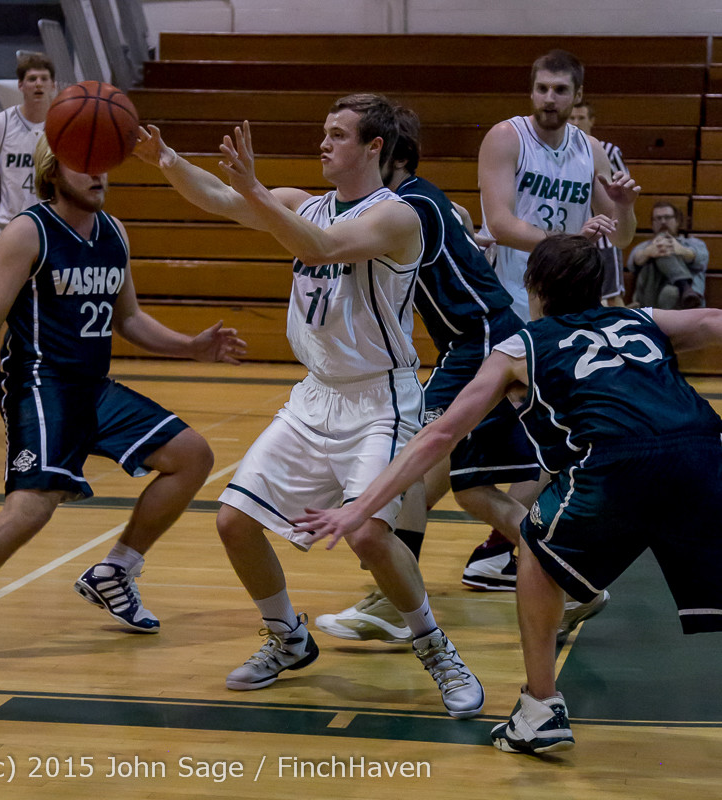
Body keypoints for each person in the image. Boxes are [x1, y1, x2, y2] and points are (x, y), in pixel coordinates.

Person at [293, 233, 722, 755]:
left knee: (535, 550)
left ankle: (541, 709)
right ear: (600, 285)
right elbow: (711, 321)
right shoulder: (639, 319)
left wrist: (359, 507)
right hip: (706, 451)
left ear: (534, 286)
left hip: (614, 461)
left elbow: (439, 436)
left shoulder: (521, 345)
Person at [133, 94, 484, 719]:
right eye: (324, 132)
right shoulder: (303, 203)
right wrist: (166, 159)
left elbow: (319, 247)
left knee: (369, 533)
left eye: (338, 134)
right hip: (315, 394)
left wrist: (256, 190)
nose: (323, 143)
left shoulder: (398, 216)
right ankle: (288, 638)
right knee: (234, 521)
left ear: (374, 147)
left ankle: (436, 648)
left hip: (381, 398)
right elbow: (219, 199)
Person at [0, 134, 247, 665]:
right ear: (53, 172)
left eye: (102, 165)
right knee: (31, 508)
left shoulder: (113, 231)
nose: (98, 174)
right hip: (40, 384)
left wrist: (190, 347)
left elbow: (129, 318)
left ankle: (115, 571)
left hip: (93, 388)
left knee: (191, 455)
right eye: (84, 164)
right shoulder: (29, 231)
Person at [313, 105, 543, 644]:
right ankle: (571, 571)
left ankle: (397, 601)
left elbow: (328, 240)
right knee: (470, 488)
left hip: (477, 339)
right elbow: (453, 218)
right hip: (484, 336)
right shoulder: (425, 198)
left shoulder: (411, 205)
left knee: (409, 458)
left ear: (389, 155)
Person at [477, 49, 639, 322]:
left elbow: (620, 238)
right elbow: (500, 226)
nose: (549, 99)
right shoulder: (506, 137)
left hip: (567, 289)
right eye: (542, 88)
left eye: (560, 90)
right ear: (531, 92)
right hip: (508, 288)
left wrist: (624, 207)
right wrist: (571, 244)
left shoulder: (592, 149)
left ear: (578, 95)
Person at [0, 53, 57, 433]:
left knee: (42, 324)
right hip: (3, 234)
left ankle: (36, 396)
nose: (37, 84)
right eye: (31, 78)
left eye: (44, 78)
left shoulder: (61, 127)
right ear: (20, 85)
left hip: (48, 236)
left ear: (54, 85)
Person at [569, 100, 629, 306]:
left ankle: (623, 328)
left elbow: (623, 189)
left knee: (611, 296)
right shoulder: (559, 153)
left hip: (604, 235)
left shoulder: (608, 151)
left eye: (581, 118)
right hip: (575, 232)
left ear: (591, 120)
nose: (576, 122)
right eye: (572, 118)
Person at [627, 201, 707, 309]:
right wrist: (648, 253)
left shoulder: (693, 243)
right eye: (658, 218)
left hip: (686, 307)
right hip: (649, 300)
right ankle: (685, 287)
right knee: (662, 246)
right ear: (652, 223)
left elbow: (702, 259)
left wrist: (682, 251)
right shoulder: (645, 246)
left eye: (667, 217)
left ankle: (685, 290)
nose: (663, 222)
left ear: (677, 221)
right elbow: (632, 263)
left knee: (669, 293)